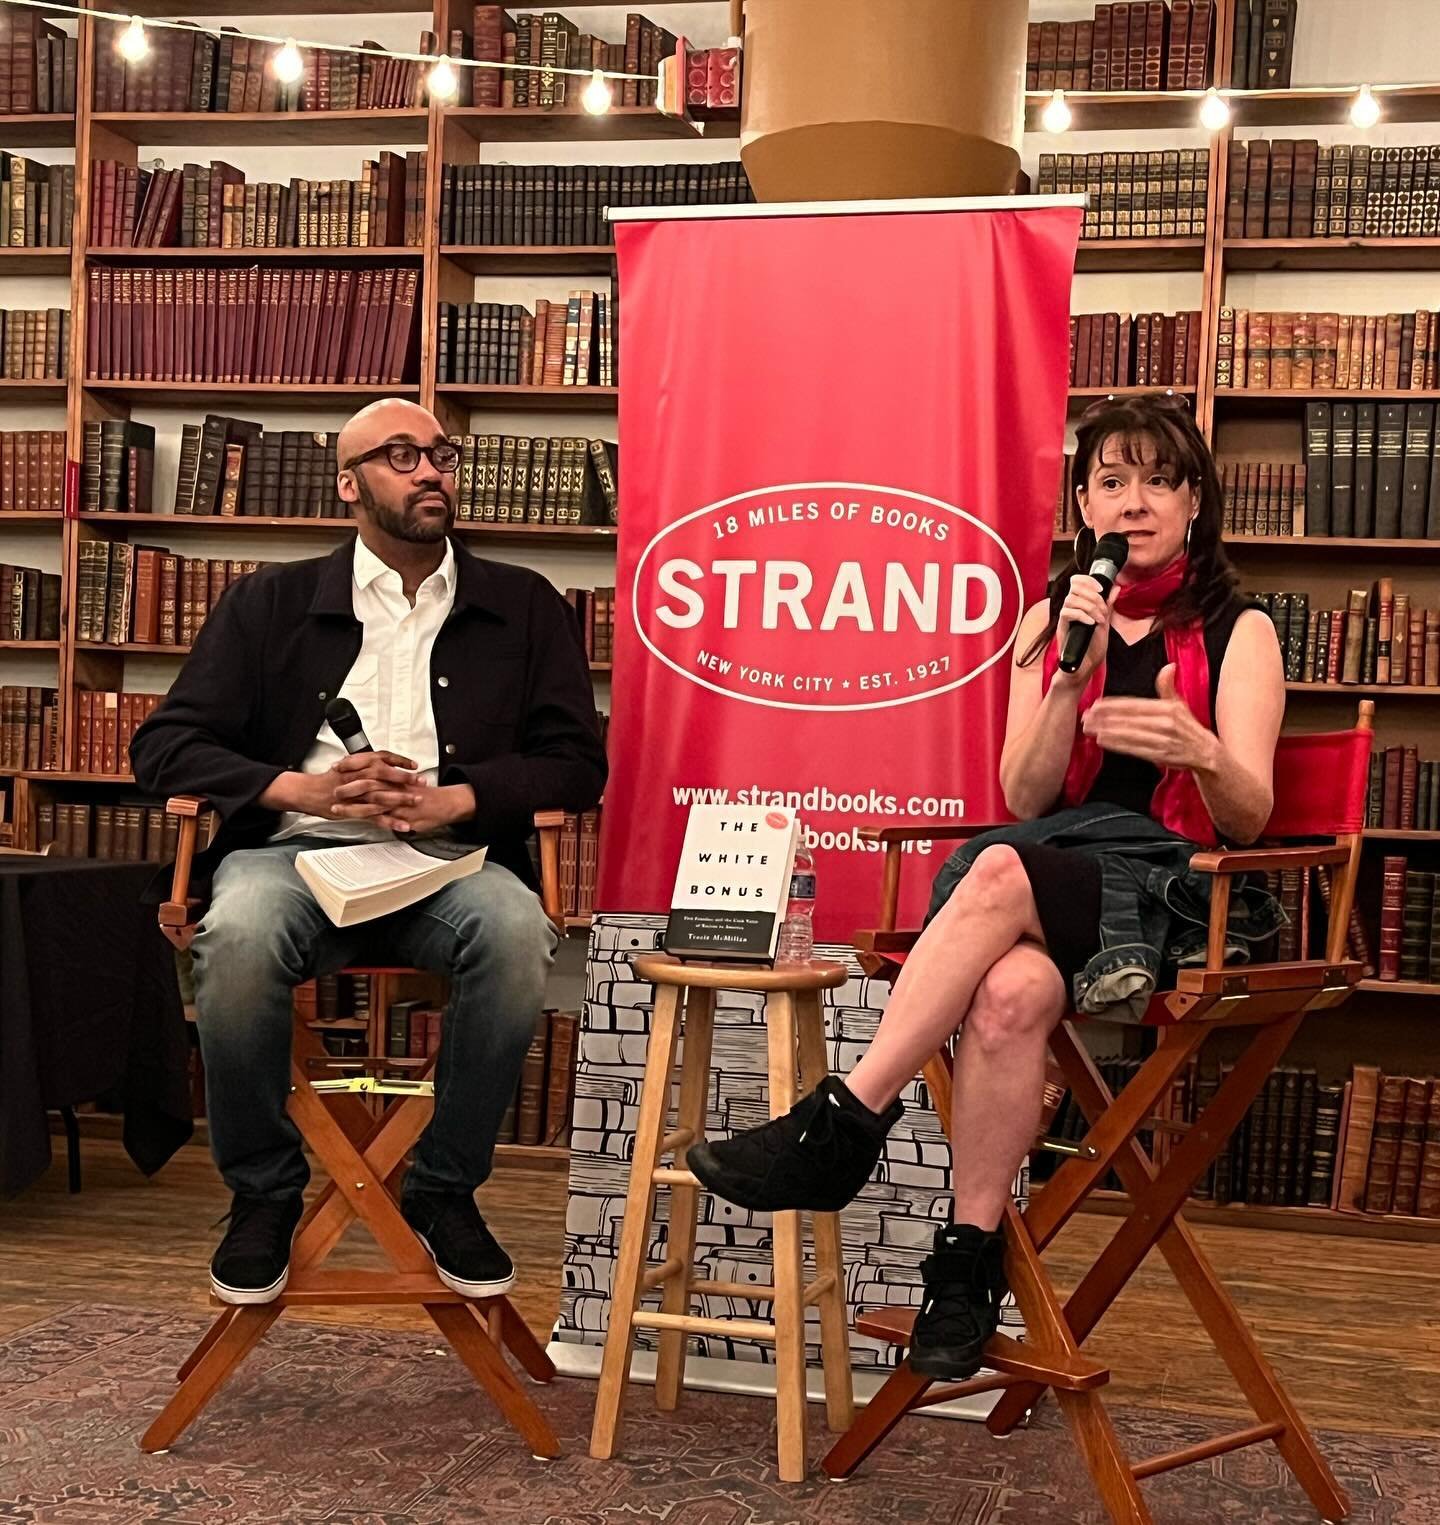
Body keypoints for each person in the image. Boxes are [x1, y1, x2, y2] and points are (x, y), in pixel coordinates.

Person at [687, 392, 1286, 1380]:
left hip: (1183, 894)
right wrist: (1065, 674)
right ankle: (965, 1268)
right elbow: (1023, 790)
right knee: (1007, 995)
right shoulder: (1051, 619)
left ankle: (846, 1121)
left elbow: (1250, 818)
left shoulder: (1241, 627)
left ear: (1193, 502)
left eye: (1158, 480)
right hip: (1064, 874)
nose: (1134, 502)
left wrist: (1201, 750)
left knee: (1000, 863)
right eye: (1111, 481)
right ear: (1085, 503)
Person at [130, 399, 607, 1306]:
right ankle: (261, 1196)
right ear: (348, 484)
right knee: (235, 936)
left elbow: (577, 764)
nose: (431, 471)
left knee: (515, 933)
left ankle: (443, 1190)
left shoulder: (524, 604)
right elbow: (164, 747)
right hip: (294, 856)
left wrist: (451, 799)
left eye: (441, 454)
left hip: (450, 864)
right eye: (401, 456)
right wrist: (301, 789)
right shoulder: (268, 601)